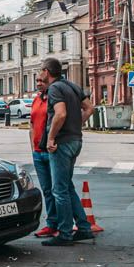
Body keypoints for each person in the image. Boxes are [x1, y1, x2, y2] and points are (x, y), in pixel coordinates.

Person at [38, 57, 97, 246]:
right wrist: (77, 123)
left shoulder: (55, 88)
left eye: (41, 71)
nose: (40, 74)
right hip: (75, 140)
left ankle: (64, 233)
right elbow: (89, 108)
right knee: (67, 186)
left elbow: (60, 113)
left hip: (62, 143)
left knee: (59, 190)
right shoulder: (72, 85)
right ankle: (84, 227)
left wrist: (51, 137)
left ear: (47, 72)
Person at [29, 73, 58, 238]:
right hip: (38, 152)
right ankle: (51, 224)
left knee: (59, 190)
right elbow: (32, 124)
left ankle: (65, 224)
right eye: (37, 81)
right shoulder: (36, 100)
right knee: (47, 190)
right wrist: (33, 148)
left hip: (52, 151)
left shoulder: (53, 99)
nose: (39, 83)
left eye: (42, 81)